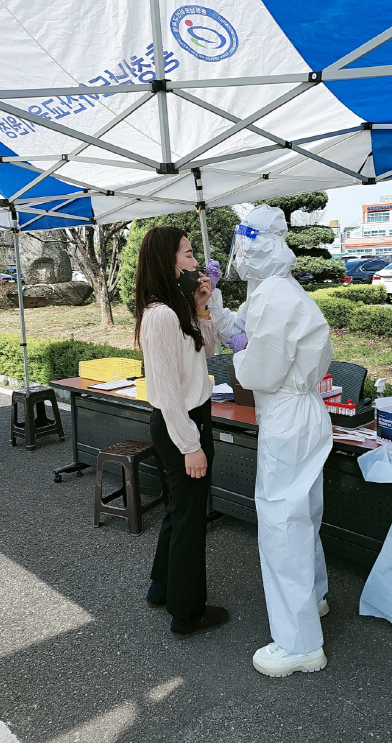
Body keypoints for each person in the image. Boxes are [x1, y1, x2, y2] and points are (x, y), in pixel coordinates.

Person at [207, 205, 333, 677]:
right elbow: (237, 331)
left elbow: (258, 366)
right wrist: (215, 304)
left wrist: (242, 353)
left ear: (254, 248)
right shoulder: (275, 292)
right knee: (304, 514)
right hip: (299, 412)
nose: (238, 258)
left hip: (287, 414)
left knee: (282, 525)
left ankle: (298, 643)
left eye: (242, 247)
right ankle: (314, 597)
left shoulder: (276, 298)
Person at [135, 226, 229, 638]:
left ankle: (162, 585)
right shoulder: (160, 315)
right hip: (182, 424)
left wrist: (203, 306)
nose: (196, 262)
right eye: (188, 255)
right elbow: (169, 392)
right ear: (167, 261)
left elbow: (207, 352)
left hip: (190, 420)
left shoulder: (180, 308)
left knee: (179, 510)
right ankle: (187, 611)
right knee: (191, 520)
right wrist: (190, 445)